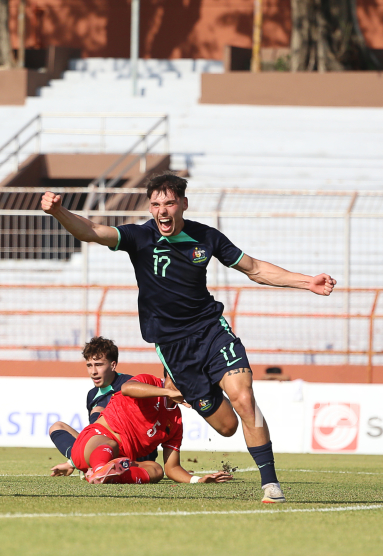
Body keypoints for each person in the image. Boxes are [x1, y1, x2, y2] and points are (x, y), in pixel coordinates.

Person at [41, 173, 336, 503]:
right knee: (226, 426)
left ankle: (270, 485)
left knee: (243, 397)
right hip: (175, 351)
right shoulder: (139, 237)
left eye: (168, 203)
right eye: (155, 204)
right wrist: (59, 213)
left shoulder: (205, 237)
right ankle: (211, 393)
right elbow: (92, 231)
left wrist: (306, 281)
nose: (162, 211)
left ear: (183, 203)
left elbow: (253, 268)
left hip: (211, 332)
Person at [63, 372, 231, 485]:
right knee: (111, 444)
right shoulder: (149, 382)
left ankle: (108, 475)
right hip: (91, 443)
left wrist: (197, 480)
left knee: (156, 470)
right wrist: (168, 393)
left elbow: (172, 468)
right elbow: (126, 388)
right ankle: (99, 469)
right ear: (168, 375)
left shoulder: (176, 422)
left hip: (121, 459)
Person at [47, 336, 156, 477]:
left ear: (113, 365)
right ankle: (92, 462)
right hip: (104, 444)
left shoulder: (130, 385)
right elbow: (94, 431)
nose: (93, 371)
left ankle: (95, 465)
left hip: (134, 449)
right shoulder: (92, 395)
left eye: (98, 365)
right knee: (57, 427)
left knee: (100, 411)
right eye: (89, 365)